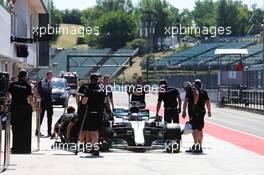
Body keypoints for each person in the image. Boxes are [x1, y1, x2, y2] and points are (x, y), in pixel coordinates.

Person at [2, 70, 39, 154]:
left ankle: (15, 146)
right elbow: (30, 98)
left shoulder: (13, 84)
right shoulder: (27, 85)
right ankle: (23, 146)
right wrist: (34, 107)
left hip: (14, 108)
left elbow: (7, 95)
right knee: (24, 128)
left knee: (14, 127)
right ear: (25, 77)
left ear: (18, 76)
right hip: (24, 109)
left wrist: (4, 104)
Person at [81, 73, 106, 156]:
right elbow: (105, 101)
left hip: (92, 111)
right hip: (100, 111)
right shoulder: (102, 88)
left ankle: (95, 149)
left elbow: (84, 101)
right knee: (94, 130)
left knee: (93, 131)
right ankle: (90, 147)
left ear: (90, 80)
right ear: (97, 79)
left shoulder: (89, 88)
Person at [189, 79, 211, 153]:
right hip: (202, 111)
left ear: (195, 84)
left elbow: (197, 94)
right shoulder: (204, 92)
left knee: (195, 129)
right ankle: (199, 146)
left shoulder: (194, 89)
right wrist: (209, 110)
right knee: (200, 129)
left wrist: (194, 105)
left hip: (197, 111)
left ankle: (196, 146)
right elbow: (207, 102)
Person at [37, 71, 54, 137]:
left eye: (52, 75)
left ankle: (49, 132)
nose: (51, 76)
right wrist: (39, 98)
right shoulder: (41, 82)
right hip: (43, 101)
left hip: (49, 101)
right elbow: (37, 90)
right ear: (47, 75)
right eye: (50, 75)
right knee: (41, 116)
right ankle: (37, 131)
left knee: (50, 117)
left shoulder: (51, 82)